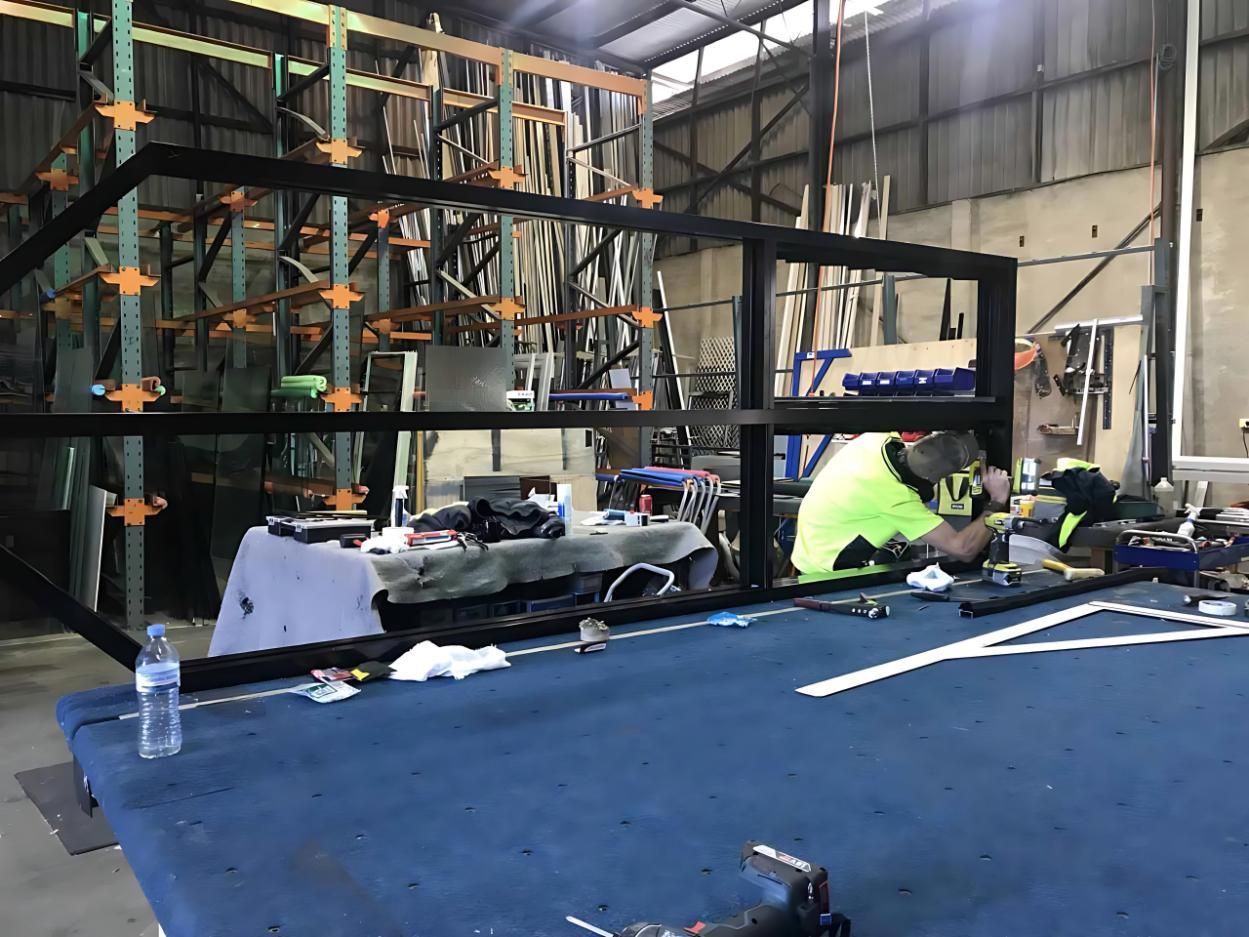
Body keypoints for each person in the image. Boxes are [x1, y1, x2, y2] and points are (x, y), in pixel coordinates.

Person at [790, 431, 1012, 574]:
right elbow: (963, 549)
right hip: (827, 574)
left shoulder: (873, 439)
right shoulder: (896, 497)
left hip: (807, 549)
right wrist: (996, 501)